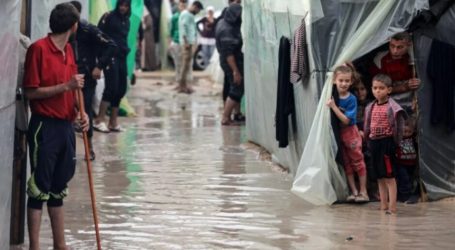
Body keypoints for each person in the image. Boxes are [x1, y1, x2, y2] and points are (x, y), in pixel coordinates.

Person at [22, 3, 88, 249]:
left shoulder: (69, 51)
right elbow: (30, 92)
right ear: (73, 26)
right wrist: (66, 87)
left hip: (65, 127)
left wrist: (81, 115)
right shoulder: (38, 49)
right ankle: (35, 246)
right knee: (39, 187)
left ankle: (61, 245)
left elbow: (73, 91)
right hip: (44, 127)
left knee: (59, 187)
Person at [69, 1, 117, 160]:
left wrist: (99, 66)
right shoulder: (63, 29)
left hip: (86, 79)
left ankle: (89, 148)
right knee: (67, 114)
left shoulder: (88, 30)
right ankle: (68, 151)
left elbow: (111, 45)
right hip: (67, 79)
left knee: (85, 113)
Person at [364, 74, 406, 214]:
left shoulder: (393, 107)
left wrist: (395, 144)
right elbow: (367, 125)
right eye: (375, 88)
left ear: (389, 90)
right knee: (379, 176)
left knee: (389, 176)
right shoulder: (370, 107)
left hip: (387, 143)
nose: (378, 91)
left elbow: (399, 128)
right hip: (374, 143)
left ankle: (392, 207)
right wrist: (368, 140)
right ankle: (383, 205)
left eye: (381, 88)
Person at [327, 65, 369, 202]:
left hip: (350, 133)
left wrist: (334, 107)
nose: (344, 83)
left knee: (357, 161)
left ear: (351, 82)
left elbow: (346, 120)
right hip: (339, 134)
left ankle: (363, 191)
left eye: (347, 81)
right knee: (346, 163)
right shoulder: (332, 95)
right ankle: (354, 191)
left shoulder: (351, 99)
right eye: (341, 80)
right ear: (334, 81)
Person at [94, 0, 131, 133]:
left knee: (121, 89)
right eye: (121, 5)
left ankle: (113, 122)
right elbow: (99, 35)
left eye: (126, 6)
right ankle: (99, 120)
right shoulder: (108, 17)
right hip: (109, 57)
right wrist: (100, 60)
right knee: (111, 88)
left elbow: (123, 39)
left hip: (121, 57)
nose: (123, 8)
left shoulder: (126, 21)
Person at [369, 32, 421, 115]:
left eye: (400, 47)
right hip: (389, 102)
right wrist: (404, 87)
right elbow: (378, 90)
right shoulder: (380, 59)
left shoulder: (416, 58)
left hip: (414, 101)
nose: (395, 51)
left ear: (409, 45)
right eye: (392, 46)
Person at [216, 3, 244, 125]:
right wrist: (235, 71)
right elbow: (229, 54)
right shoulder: (227, 29)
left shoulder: (223, 22)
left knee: (235, 86)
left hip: (230, 59)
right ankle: (226, 117)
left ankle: (237, 114)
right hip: (230, 61)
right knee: (237, 87)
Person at [177, 1, 204, 94]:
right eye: (198, 10)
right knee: (185, 66)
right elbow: (183, 28)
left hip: (189, 43)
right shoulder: (186, 14)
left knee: (187, 66)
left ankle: (185, 85)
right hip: (186, 44)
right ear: (194, 7)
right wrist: (186, 42)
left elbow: (192, 29)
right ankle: (182, 86)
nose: (198, 12)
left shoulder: (190, 15)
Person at [395, 117, 418, 203]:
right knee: (404, 179)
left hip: (411, 163)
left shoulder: (413, 138)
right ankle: (404, 197)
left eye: (409, 132)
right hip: (401, 163)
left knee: (409, 179)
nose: (407, 134)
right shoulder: (398, 138)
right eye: (405, 131)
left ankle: (404, 196)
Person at [169, 1, 187, 84]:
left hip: (185, 42)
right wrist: (170, 41)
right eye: (181, 5)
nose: (182, 6)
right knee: (177, 61)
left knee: (184, 61)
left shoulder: (188, 16)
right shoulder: (175, 17)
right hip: (176, 40)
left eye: (184, 5)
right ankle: (178, 77)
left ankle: (183, 79)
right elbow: (171, 30)